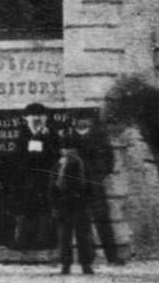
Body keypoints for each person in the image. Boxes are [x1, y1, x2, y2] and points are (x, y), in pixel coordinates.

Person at [71, 112, 120, 266]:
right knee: (81, 223)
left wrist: (100, 175)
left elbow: (109, 160)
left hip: (95, 185)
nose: (83, 121)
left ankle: (112, 257)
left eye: (86, 119)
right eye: (80, 119)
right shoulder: (69, 137)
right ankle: (87, 258)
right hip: (76, 186)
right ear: (74, 121)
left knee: (103, 221)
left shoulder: (99, 137)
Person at [16, 101, 57, 250]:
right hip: (28, 179)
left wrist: (44, 139)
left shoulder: (51, 134)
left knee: (45, 210)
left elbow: (54, 155)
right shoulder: (23, 135)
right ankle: (24, 242)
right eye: (33, 115)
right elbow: (22, 157)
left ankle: (44, 242)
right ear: (26, 118)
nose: (37, 119)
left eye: (40, 115)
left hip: (46, 179)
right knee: (27, 210)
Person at [50, 139, 95, 275]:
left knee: (70, 236)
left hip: (72, 204)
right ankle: (80, 265)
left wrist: (55, 205)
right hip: (73, 204)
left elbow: (53, 188)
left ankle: (71, 265)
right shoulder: (77, 165)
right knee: (77, 236)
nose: (67, 152)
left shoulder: (61, 165)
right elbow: (52, 188)